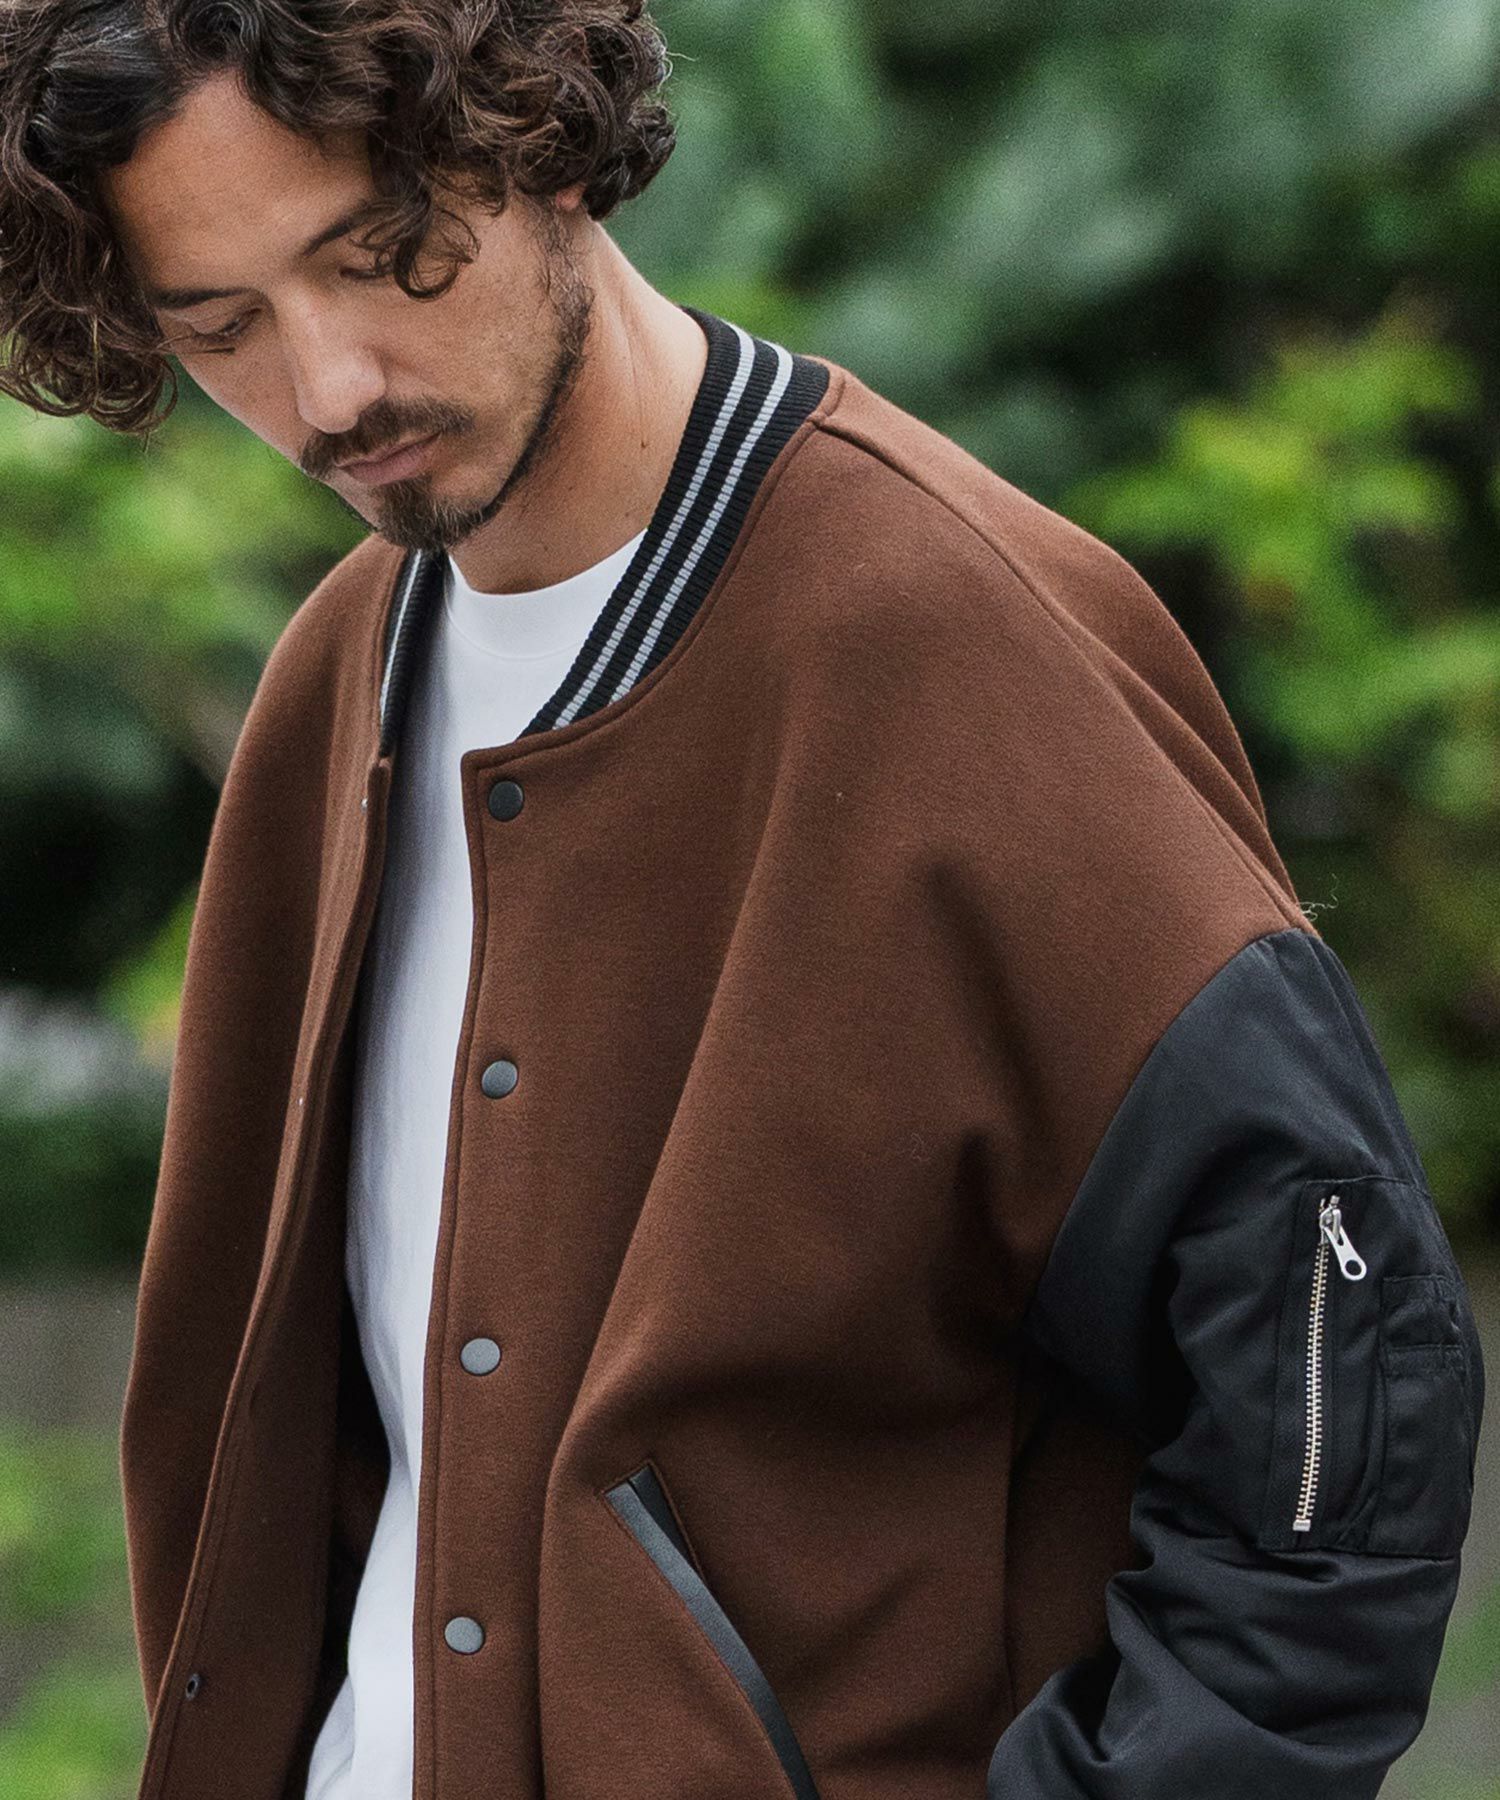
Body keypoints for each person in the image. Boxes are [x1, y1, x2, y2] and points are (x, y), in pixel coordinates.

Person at [0, 4, 1485, 1799]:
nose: (327, 391)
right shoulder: (338, 684)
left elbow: (1339, 1401)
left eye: (383, 258)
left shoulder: (952, 646)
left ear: (539, 134)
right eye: (221, 324)